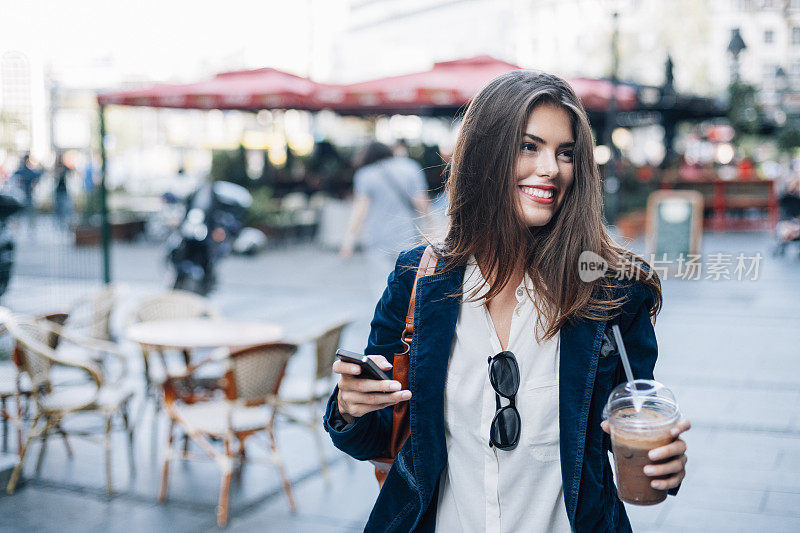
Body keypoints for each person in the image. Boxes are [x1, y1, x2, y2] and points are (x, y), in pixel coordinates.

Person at [324, 71, 690, 532]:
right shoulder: (417, 280)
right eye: (528, 146)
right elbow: (380, 438)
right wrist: (350, 407)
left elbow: (630, 420)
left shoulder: (613, 293)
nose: (551, 169)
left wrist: (662, 463)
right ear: (485, 155)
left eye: (566, 153)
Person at [340, 141, 430, 296]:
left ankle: (384, 318)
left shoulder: (365, 174)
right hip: (407, 236)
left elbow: (360, 210)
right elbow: (422, 204)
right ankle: (407, 318)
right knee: (409, 283)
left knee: (381, 284)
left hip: (377, 238)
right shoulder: (410, 168)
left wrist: (349, 239)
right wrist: (431, 228)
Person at [53, 152, 72, 229]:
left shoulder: (64, 167)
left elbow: (70, 172)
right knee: (59, 208)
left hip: (64, 190)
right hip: (58, 190)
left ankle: (64, 222)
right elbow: (54, 175)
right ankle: (59, 223)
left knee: (65, 208)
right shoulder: (56, 167)